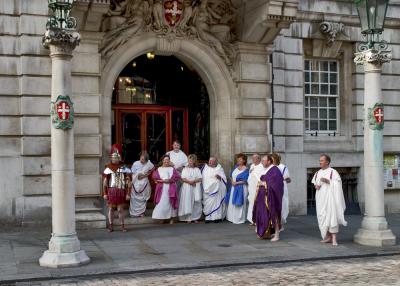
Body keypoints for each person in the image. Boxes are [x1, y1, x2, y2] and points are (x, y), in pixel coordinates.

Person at [312, 154, 347, 246]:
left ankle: (334, 238)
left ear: (327, 162)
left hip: (331, 198)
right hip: (320, 198)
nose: (320, 162)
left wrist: (328, 181)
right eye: (320, 160)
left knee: (332, 216)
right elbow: (315, 184)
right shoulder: (317, 173)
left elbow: (338, 183)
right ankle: (328, 237)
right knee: (322, 216)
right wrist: (317, 186)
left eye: (322, 160)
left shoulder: (333, 172)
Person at [253, 154, 284, 241]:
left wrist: (264, 184)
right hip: (263, 197)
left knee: (274, 214)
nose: (262, 162)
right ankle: (267, 233)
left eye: (263, 160)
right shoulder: (266, 170)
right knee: (264, 214)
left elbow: (277, 184)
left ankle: (277, 234)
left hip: (272, 197)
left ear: (269, 161)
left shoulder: (275, 170)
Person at [103, 144, 132, 232]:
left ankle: (122, 226)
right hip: (112, 190)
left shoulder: (124, 168)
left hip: (121, 190)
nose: (115, 159)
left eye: (117, 157)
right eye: (114, 157)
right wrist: (104, 193)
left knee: (120, 209)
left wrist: (128, 193)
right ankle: (111, 226)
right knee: (111, 208)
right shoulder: (108, 168)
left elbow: (128, 182)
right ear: (111, 158)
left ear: (119, 157)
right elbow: (104, 182)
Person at [152, 155, 181, 224]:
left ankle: (171, 218)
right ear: (162, 160)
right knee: (162, 202)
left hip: (171, 188)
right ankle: (163, 218)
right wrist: (163, 181)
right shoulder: (159, 169)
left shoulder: (172, 169)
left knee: (170, 202)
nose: (166, 161)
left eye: (167, 159)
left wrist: (170, 180)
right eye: (165, 159)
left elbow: (177, 177)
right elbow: (155, 178)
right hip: (162, 189)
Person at [178, 154, 203, 223]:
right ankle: (187, 218)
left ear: (194, 161)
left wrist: (194, 181)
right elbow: (183, 178)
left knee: (195, 202)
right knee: (187, 202)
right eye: (189, 161)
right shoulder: (185, 169)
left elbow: (200, 178)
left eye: (192, 161)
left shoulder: (197, 169)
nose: (190, 162)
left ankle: (195, 217)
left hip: (195, 187)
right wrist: (190, 182)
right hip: (187, 187)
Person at [202, 156, 227, 222]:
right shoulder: (205, 168)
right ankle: (208, 218)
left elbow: (224, 178)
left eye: (212, 161)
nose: (210, 162)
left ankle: (217, 217)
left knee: (217, 202)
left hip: (217, 190)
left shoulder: (219, 168)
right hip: (207, 189)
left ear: (215, 162)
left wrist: (220, 177)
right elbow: (203, 178)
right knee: (208, 204)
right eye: (210, 161)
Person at [129, 151, 154, 217]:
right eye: (141, 158)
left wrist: (146, 175)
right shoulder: (135, 163)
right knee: (134, 198)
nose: (141, 160)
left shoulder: (149, 164)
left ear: (146, 160)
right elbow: (133, 173)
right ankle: (133, 213)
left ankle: (141, 212)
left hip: (144, 182)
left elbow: (152, 168)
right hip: (136, 182)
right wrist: (138, 176)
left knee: (143, 197)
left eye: (143, 159)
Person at [226, 154, 249, 224]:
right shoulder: (235, 167)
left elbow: (246, 180)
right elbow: (231, 176)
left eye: (240, 159)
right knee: (232, 202)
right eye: (238, 159)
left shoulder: (246, 169)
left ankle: (240, 218)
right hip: (233, 187)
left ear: (244, 160)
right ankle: (232, 218)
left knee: (241, 203)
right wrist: (232, 181)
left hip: (242, 188)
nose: (238, 160)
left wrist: (237, 183)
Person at [272, 152, 291, 228]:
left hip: (281, 187)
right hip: (272, 187)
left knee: (282, 204)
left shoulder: (283, 167)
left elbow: (288, 179)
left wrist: (284, 179)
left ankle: (280, 224)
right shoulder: (269, 167)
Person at [247, 154, 264, 224]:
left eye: (255, 158)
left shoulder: (261, 166)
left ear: (259, 159)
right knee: (252, 203)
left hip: (257, 188)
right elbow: (250, 175)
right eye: (252, 158)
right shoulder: (252, 166)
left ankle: (258, 220)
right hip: (251, 188)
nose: (253, 160)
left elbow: (260, 177)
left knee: (257, 203)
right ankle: (252, 219)